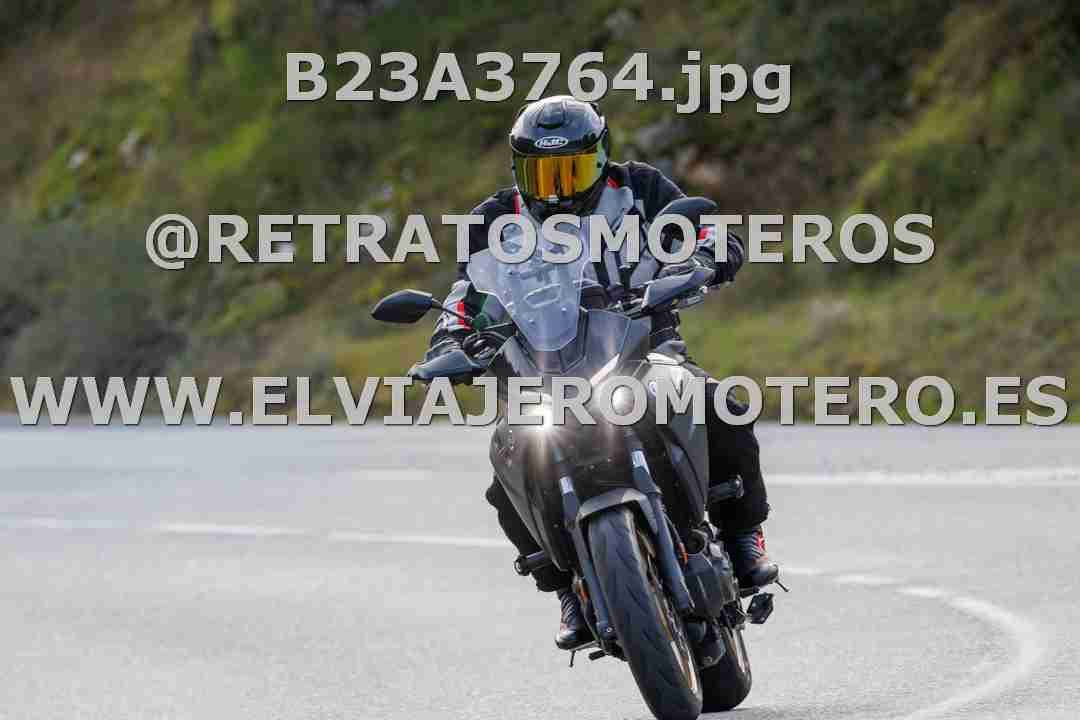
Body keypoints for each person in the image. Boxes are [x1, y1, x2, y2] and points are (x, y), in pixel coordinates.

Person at [424, 95, 779, 650]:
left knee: (719, 404)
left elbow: (701, 231)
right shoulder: (492, 221)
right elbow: (468, 294)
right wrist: (450, 340)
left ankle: (742, 536)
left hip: (642, 349)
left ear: (600, 158)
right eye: (543, 173)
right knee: (507, 468)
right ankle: (566, 587)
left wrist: (707, 257)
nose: (558, 188)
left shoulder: (640, 188)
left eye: (572, 169)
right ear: (518, 169)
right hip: (540, 373)